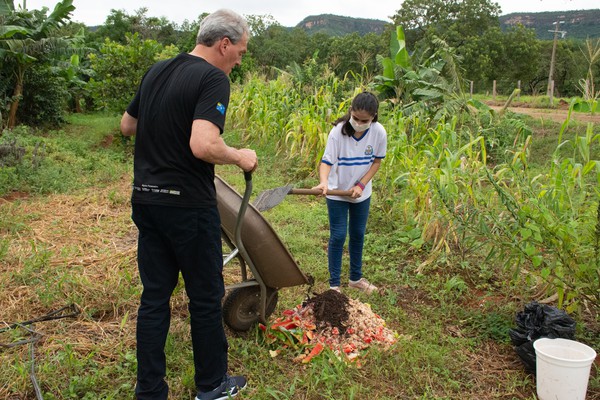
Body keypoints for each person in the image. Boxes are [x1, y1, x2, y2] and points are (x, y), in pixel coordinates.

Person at [120, 9, 256, 400]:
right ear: (224, 44)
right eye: (241, 52)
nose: (239, 60)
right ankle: (212, 386)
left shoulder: (157, 70)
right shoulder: (213, 77)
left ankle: (149, 391)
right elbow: (203, 145)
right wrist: (240, 156)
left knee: (154, 297)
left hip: (146, 199)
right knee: (205, 297)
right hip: (187, 207)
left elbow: (127, 125)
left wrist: (164, 130)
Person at [313, 92, 387, 294]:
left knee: (357, 234)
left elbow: (376, 162)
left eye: (365, 120)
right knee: (338, 236)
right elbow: (326, 162)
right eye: (355, 118)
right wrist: (323, 182)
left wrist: (361, 185)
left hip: (361, 193)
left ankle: (355, 279)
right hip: (337, 191)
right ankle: (334, 286)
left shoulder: (379, 132)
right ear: (350, 112)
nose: (359, 123)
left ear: (374, 117)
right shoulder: (338, 132)